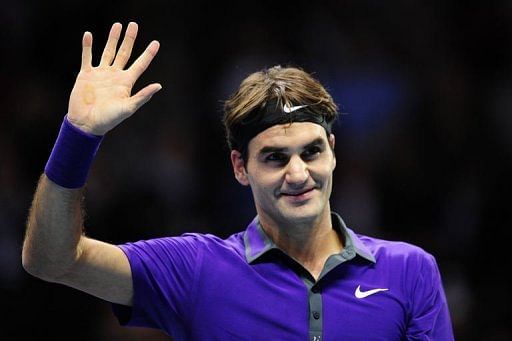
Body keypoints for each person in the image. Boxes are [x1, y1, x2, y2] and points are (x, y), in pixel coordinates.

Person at [22, 22, 454, 340]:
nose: (299, 173)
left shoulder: (410, 271)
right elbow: (51, 260)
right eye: (274, 158)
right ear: (239, 167)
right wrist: (78, 137)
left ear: (333, 151)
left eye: (312, 151)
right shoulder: (194, 270)